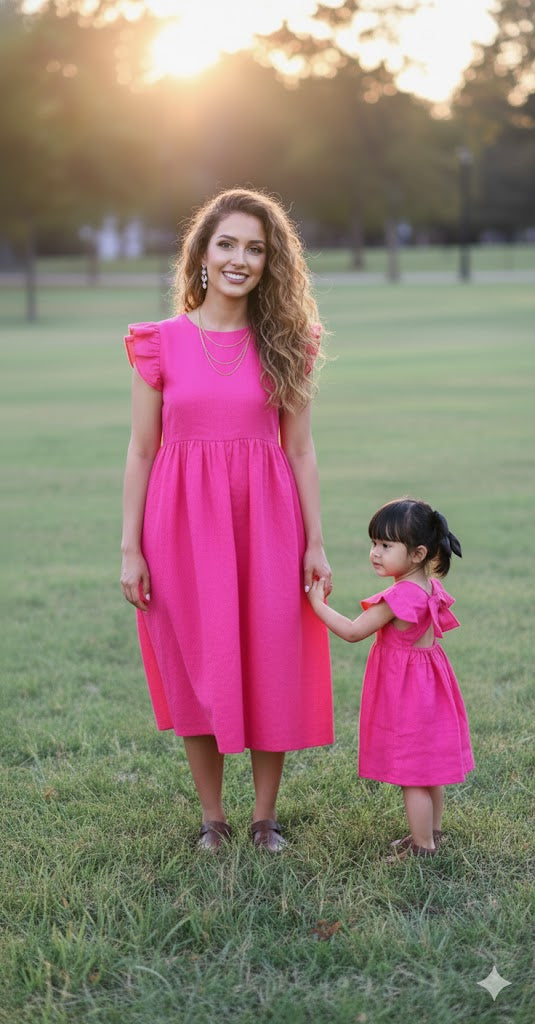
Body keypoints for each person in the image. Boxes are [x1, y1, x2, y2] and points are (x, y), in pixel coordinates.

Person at [121, 188, 333, 852]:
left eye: (256, 248)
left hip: (267, 523)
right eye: (228, 244)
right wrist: (130, 547)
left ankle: (264, 818)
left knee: (271, 658)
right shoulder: (159, 344)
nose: (240, 259)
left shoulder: (286, 343)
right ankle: (213, 818)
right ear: (202, 253)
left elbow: (298, 447)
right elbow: (142, 448)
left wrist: (315, 542)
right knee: (198, 662)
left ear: (270, 263)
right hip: (179, 527)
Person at [307, 497, 474, 861]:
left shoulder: (399, 597)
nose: (375, 553)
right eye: (374, 543)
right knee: (429, 767)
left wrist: (318, 605)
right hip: (431, 686)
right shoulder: (429, 587)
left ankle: (422, 846)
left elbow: (353, 632)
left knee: (412, 774)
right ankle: (432, 832)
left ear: (417, 554)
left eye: (386, 545)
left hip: (407, 692)